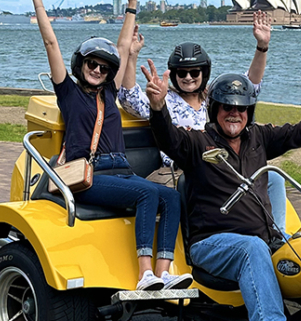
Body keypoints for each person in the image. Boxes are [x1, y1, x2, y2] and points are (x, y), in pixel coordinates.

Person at [142, 61, 301, 320]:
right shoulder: (197, 142)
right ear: (214, 109)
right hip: (211, 244)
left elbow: (299, 132)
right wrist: (158, 107)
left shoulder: (258, 139)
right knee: (252, 247)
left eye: (241, 108)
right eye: (227, 107)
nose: (234, 113)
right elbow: (168, 139)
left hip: (266, 242)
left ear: (249, 111)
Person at [31, 0, 191, 291]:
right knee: (145, 193)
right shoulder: (68, 92)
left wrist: (131, 7)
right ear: (82, 64)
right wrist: (39, 5)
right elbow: (50, 43)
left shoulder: (108, 93)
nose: (98, 70)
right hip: (91, 176)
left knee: (170, 197)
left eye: (104, 68)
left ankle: (163, 273)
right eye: (92, 64)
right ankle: (145, 275)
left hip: (123, 171)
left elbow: (121, 47)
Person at [117, 11, 290, 238]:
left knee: (274, 177)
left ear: (204, 73)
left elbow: (250, 86)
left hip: (226, 168)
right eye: (181, 72)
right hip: (185, 170)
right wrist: (131, 56)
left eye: (194, 71)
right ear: (174, 74)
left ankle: (278, 237)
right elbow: (129, 96)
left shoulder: (217, 101)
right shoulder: (164, 100)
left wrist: (262, 47)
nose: (188, 77)